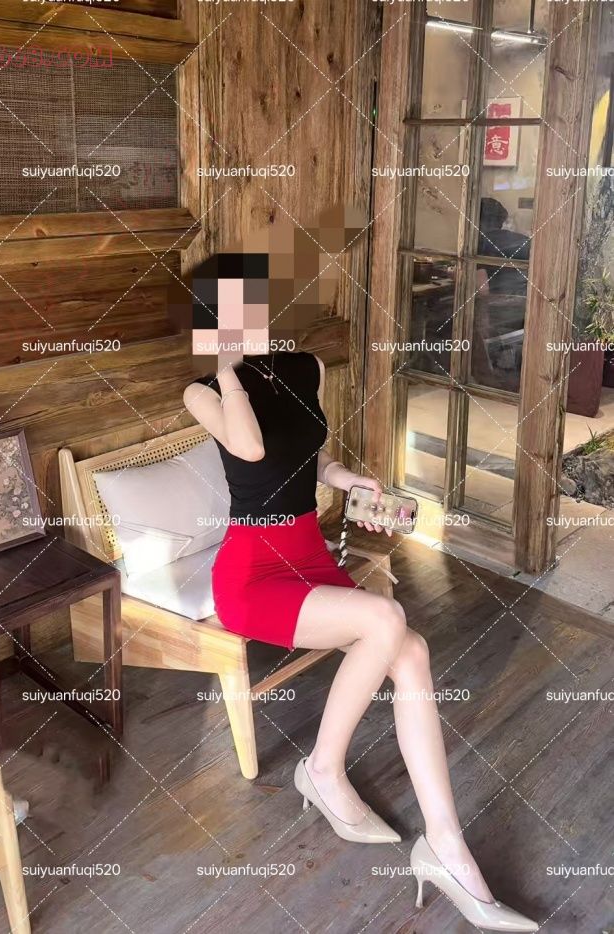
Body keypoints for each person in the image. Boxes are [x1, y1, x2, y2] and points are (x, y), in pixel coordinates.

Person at [182, 249, 538, 932]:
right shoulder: (202, 391)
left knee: (412, 651)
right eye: (220, 312)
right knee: (385, 619)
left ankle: (445, 848)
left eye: (246, 303)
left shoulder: (305, 367)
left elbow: (308, 452)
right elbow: (250, 450)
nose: (238, 319)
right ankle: (322, 769)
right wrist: (227, 370)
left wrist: (346, 481)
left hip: (307, 553)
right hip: (253, 571)